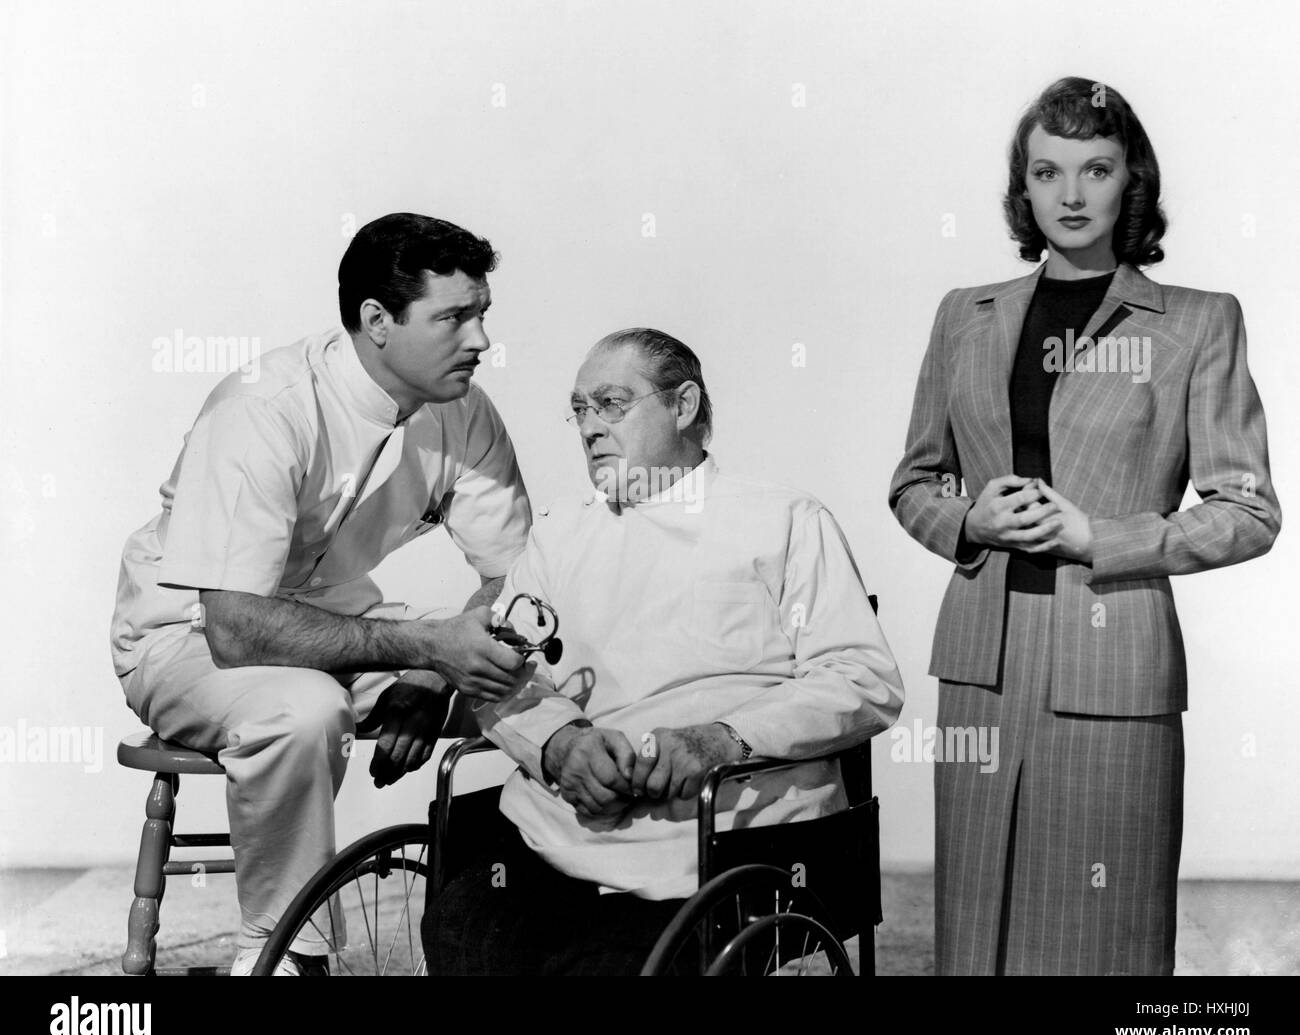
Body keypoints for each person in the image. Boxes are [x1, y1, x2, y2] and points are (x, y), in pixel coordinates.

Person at [889, 77, 1281, 975]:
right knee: (974, 927)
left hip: (1113, 662)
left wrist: (1100, 537)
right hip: (979, 663)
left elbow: (1249, 512)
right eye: (1047, 171)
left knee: (1101, 939)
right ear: (1021, 189)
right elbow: (914, 483)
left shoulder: (1197, 323)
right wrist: (968, 519)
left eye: (1094, 170)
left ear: (1128, 182)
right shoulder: (965, 315)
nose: (1069, 195)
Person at [110, 213, 531, 974]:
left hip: (338, 622)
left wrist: (433, 672)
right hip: (187, 633)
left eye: (482, 315)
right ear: (377, 321)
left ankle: (530, 929)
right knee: (304, 707)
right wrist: (424, 644)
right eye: (454, 318)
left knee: (546, 684)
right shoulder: (263, 407)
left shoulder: (465, 410)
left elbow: (516, 578)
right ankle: (280, 954)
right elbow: (235, 629)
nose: (480, 341)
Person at [421, 327, 904, 976]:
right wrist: (561, 745)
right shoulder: (560, 535)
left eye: (611, 403)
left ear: (683, 406)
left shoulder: (784, 520)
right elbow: (502, 676)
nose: (589, 427)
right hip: (555, 832)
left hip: (728, 842)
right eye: (580, 409)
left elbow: (862, 677)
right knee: (460, 923)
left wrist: (722, 738)